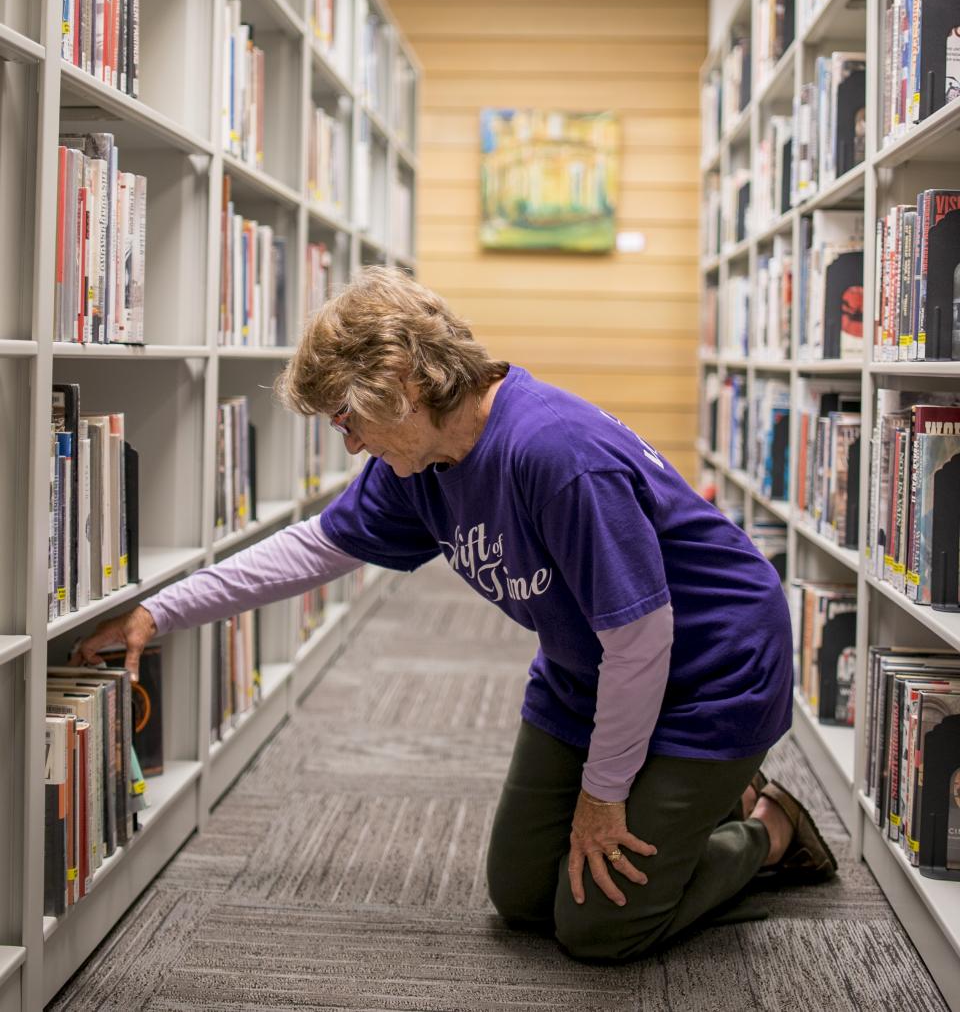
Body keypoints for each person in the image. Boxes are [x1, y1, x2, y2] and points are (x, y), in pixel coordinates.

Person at [74, 266, 837, 964]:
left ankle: (766, 829)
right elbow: (315, 549)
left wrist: (605, 797)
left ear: (401, 382)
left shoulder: (554, 455)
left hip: (710, 670)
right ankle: (692, 798)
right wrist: (159, 612)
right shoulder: (419, 462)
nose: (348, 443)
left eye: (347, 418)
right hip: (588, 670)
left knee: (600, 924)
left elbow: (643, 639)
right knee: (521, 896)